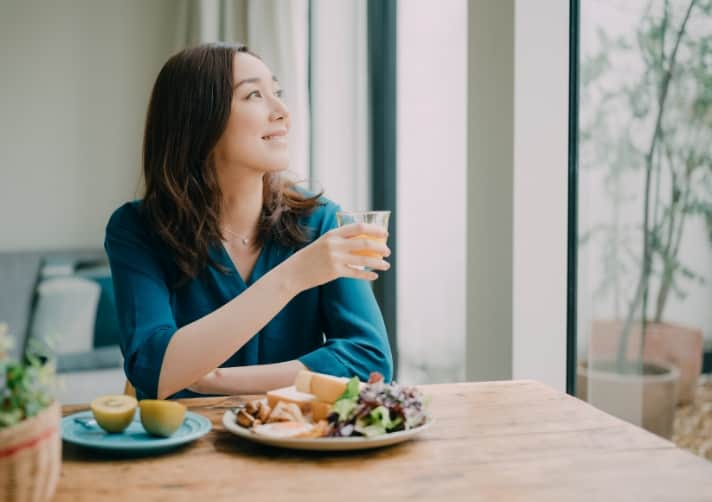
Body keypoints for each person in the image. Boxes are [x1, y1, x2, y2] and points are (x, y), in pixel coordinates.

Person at [105, 43, 393, 400]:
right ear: (198, 119)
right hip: (187, 448)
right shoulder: (137, 230)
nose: (283, 112)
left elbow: (369, 360)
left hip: (294, 444)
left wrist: (215, 380)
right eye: (255, 94)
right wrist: (294, 276)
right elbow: (153, 368)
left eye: (278, 93)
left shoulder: (319, 221)